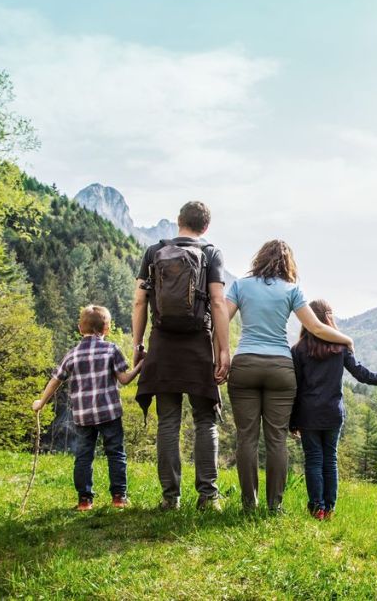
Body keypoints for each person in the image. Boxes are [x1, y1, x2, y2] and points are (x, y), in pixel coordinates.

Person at [226, 240, 354, 513]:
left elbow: (220, 319)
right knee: (276, 439)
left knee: (246, 438)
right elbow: (316, 328)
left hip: (245, 363)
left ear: (259, 258)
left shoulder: (240, 286)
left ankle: (249, 504)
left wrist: (222, 354)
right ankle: (275, 506)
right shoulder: (292, 290)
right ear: (288, 264)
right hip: (280, 369)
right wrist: (346, 339)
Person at [132, 201, 231, 511]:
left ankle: (170, 498)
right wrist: (223, 349)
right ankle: (208, 497)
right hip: (198, 342)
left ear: (178, 221)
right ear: (205, 227)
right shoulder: (212, 253)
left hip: (162, 343)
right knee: (205, 421)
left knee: (168, 422)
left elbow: (139, 302)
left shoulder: (153, 251)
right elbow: (217, 303)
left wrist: (137, 345)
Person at [290, 299, 377, 520]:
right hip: (332, 412)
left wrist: (292, 421)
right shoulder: (340, 348)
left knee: (314, 460)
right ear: (330, 318)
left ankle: (316, 508)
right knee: (330, 459)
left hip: (308, 413)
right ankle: (329, 509)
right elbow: (361, 374)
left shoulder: (298, 349)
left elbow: (296, 387)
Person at [32, 305, 142, 511]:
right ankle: (119, 498)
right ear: (106, 329)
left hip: (83, 415)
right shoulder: (112, 350)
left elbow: (55, 381)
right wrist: (140, 367)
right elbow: (125, 379)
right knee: (116, 453)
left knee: (84, 455)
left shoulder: (72, 355)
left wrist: (41, 402)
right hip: (109, 412)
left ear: (80, 328)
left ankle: (84, 501)